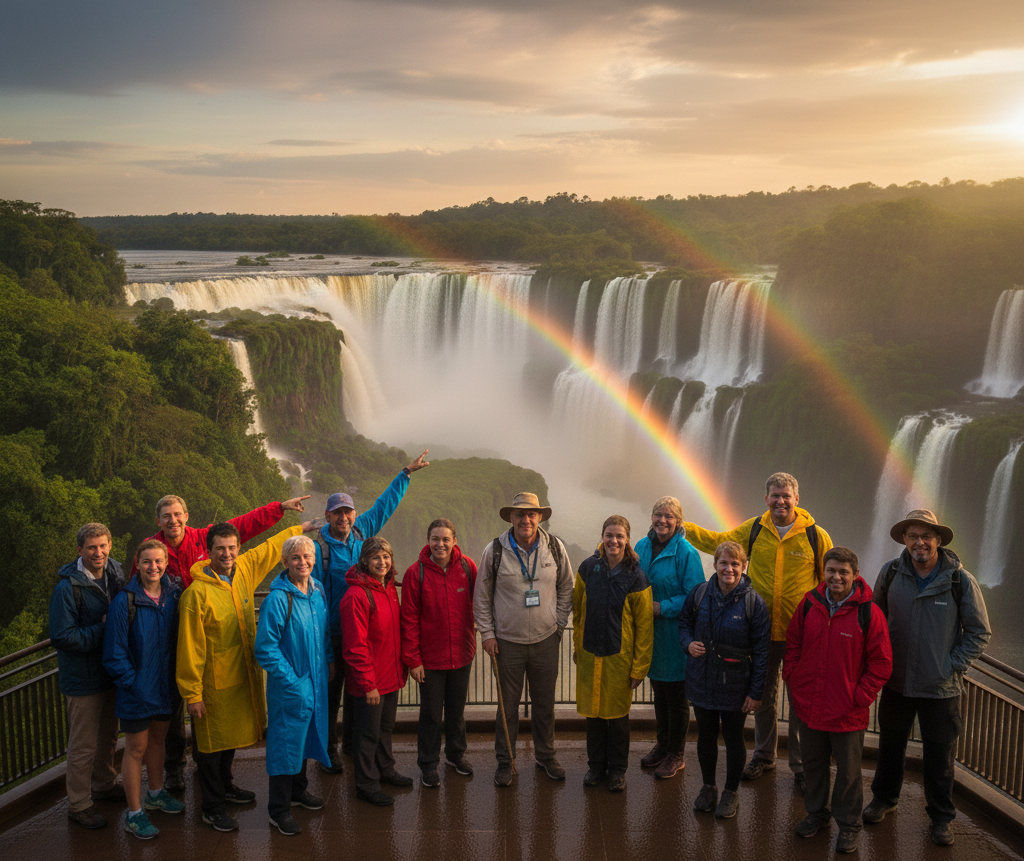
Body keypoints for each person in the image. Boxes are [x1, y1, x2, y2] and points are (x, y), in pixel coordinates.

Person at [130, 491, 311, 792]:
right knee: (173, 706)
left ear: (186, 516)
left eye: (178, 514)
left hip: (206, 632)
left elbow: (245, 526)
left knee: (211, 712)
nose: (173, 520)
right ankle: (176, 769)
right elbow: (136, 584)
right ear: (158, 521)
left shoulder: (203, 539)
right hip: (165, 635)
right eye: (167, 516)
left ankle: (214, 776)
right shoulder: (153, 549)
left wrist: (279, 508)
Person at [684, 472, 832, 790]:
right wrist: (685, 528)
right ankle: (765, 756)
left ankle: (802, 765)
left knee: (800, 700)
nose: (780, 501)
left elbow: (827, 582)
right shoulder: (754, 529)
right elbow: (717, 541)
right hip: (759, 631)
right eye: (775, 495)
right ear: (766, 499)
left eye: (786, 496)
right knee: (762, 698)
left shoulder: (816, 536)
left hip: (800, 634)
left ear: (796, 499)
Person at [863, 509, 991, 847]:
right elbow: (876, 620)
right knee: (890, 746)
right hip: (897, 681)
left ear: (938, 539)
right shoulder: (890, 573)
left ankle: (941, 818)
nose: (919, 542)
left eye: (926, 536)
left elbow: (979, 632)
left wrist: (951, 665)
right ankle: (884, 800)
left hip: (941, 687)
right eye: (912, 535)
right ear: (904, 540)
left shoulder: (959, 579)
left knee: (940, 755)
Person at [176, 520, 309, 832]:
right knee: (209, 749)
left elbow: (268, 549)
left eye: (232, 548)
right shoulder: (196, 595)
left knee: (229, 740)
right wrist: (192, 694)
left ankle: (227, 786)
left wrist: (299, 528)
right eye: (220, 549)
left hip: (238, 678)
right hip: (210, 684)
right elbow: (189, 648)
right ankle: (212, 807)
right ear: (207, 552)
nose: (227, 554)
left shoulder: (242, 573)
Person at [314, 450, 430, 774]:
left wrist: (405, 473)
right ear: (327, 516)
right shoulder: (318, 549)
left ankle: (352, 746)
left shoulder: (362, 532)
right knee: (331, 696)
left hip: (364, 633)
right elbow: (316, 601)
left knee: (357, 697)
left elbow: (384, 506)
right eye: (338, 513)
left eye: (348, 512)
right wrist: (326, 649)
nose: (344, 518)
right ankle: (329, 751)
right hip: (335, 633)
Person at [783, 547, 892, 854]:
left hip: (847, 711)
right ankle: (816, 814)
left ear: (855, 575)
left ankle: (849, 825)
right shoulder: (809, 604)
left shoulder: (868, 613)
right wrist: (793, 676)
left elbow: (882, 663)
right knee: (814, 766)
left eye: (843, 572)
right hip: (810, 705)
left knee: (848, 772)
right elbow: (793, 643)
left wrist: (861, 696)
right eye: (831, 570)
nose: (836, 577)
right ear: (824, 572)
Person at [473, 492, 574, 787]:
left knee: (544, 704)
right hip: (507, 643)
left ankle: (546, 756)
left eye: (531, 514)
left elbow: (567, 585)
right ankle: (506, 761)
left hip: (546, 640)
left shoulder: (554, 547)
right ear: (511, 518)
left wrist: (559, 624)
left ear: (540, 517)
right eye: (520, 514)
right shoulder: (494, 551)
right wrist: (488, 634)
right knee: (508, 706)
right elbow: (481, 596)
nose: (525, 519)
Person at [679, 541, 770, 820]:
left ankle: (730, 792)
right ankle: (708, 787)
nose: (728, 569)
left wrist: (756, 693)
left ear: (744, 567)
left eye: (735, 564)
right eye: (723, 563)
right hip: (702, 679)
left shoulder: (755, 603)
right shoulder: (700, 593)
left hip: (735, 684)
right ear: (715, 565)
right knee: (705, 736)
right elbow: (684, 624)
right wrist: (688, 644)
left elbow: (762, 651)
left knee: (733, 738)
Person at [102, 540, 185, 839]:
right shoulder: (125, 601)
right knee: (135, 749)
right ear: (137, 563)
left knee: (158, 742)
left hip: (165, 688)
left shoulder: (174, 595)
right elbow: (114, 653)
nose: (153, 567)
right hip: (138, 690)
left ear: (166, 563)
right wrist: (132, 683)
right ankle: (135, 813)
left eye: (159, 561)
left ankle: (156, 793)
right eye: (147, 561)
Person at [48, 522, 126, 829]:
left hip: (110, 671)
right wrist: (104, 629)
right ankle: (79, 804)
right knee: (82, 745)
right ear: (80, 550)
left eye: (103, 546)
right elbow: (63, 636)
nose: (98, 552)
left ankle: (104, 784)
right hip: (82, 678)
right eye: (92, 547)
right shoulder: (67, 588)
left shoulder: (115, 573)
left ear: (110, 546)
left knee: (108, 735)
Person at [255, 535, 333, 836]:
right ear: (285, 562)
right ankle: (278, 809)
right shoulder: (278, 599)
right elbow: (266, 648)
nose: (303, 562)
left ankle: (298, 792)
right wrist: (293, 682)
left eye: (308, 556)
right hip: (292, 684)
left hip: (314, 679)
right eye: (296, 557)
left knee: (305, 737)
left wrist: (328, 660)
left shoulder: (317, 590)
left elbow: (322, 631)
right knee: (285, 745)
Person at [573, 516, 653, 792]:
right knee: (593, 718)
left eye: (619, 536)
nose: (613, 541)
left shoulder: (636, 576)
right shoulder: (587, 568)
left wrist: (639, 667)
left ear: (628, 539)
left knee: (617, 719)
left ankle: (617, 770)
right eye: (609, 535)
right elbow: (578, 612)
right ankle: (596, 767)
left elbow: (644, 627)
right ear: (602, 536)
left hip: (619, 660)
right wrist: (577, 649)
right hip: (590, 655)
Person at [400, 518, 478, 788]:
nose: (440, 544)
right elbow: (408, 619)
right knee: (431, 713)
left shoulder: (468, 568)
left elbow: (481, 602)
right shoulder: (415, 573)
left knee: (456, 711)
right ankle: (429, 763)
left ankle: (456, 755)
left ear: (454, 541)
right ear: (428, 541)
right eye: (436, 539)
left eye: (446, 539)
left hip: (462, 654)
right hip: (430, 659)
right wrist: (413, 660)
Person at [634, 496, 704, 779]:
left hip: (675, 636)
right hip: (649, 636)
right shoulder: (640, 545)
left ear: (678, 521)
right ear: (652, 517)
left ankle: (676, 753)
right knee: (659, 695)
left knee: (676, 699)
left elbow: (695, 594)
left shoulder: (686, 552)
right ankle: (662, 745)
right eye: (658, 514)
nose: (662, 520)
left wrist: (661, 607)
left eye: (668, 516)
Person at [341, 537, 411, 806]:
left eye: (386, 557)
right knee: (367, 734)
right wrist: (368, 684)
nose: (382, 562)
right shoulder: (357, 595)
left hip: (390, 676)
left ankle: (385, 770)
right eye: (375, 558)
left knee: (384, 728)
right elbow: (355, 646)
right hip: (370, 682)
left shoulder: (388, 588)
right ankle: (366, 784)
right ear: (364, 562)